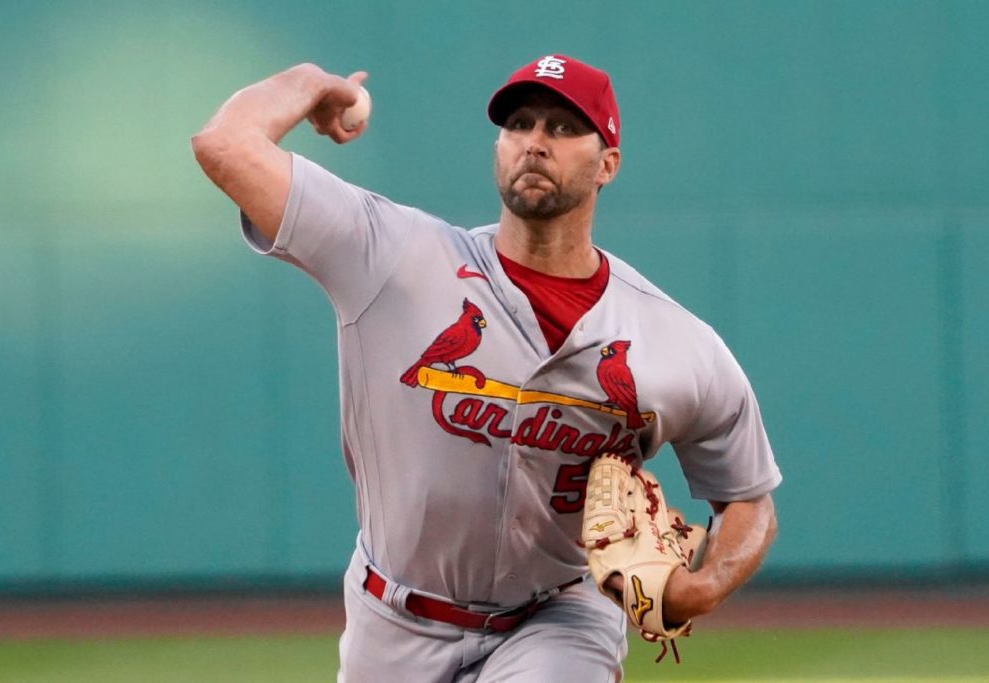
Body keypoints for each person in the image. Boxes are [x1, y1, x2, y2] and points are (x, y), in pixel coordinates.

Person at [192, 53, 781, 683]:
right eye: (519, 124)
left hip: (557, 618)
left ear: (608, 163)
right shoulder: (393, 256)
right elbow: (225, 145)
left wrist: (706, 584)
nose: (535, 142)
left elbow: (748, 497)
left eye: (563, 128)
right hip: (391, 621)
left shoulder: (673, 340)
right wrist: (309, 82)